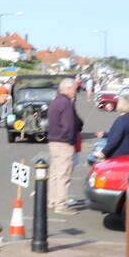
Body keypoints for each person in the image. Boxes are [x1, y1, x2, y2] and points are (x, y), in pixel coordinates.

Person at [46, 78, 83, 215]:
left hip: (53, 141)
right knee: (63, 175)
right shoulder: (66, 103)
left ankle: (52, 200)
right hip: (63, 142)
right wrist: (71, 140)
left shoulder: (55, 101)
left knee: (55, 174)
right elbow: (69, 125)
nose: (75, 91)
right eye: (74, 88)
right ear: (68, 88)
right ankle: (61, 204)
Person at [95, 94, 129, 159]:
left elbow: (115, 139)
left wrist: (103, 152)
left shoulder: (122, 119)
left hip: (119, 156)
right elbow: (121, 134)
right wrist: (105, 135)